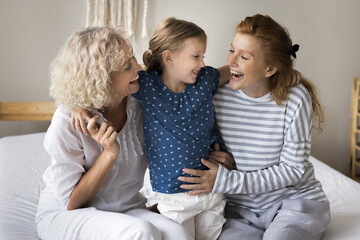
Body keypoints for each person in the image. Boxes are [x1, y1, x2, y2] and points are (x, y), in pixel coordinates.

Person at [72, 17, 230, 240]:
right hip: (173, 196)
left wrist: (282, 72)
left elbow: (236, 71)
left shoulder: (206, 79)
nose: (202, 63)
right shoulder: (146, 86)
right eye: (196, 56)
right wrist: (75, 106)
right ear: (168, 57)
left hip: (211, 189)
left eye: (203, 56)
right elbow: (99, 84)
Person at [178, 14, 330, 240]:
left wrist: (225, 180)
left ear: (270, 69)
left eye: (244, 57)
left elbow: (293, 169)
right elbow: (182, 119)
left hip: (295, 202)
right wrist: (213, 155)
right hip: (242, 211)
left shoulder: (295, 98)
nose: (231, 61)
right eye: (232, 51)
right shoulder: (216, 95)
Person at [35, 26, 192, 240]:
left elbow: (185, 97)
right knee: (140, 232)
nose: (138, 67)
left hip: (125, 208)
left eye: (134, 58)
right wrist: (109, 154)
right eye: (127, 66)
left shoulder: (140, 102)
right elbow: (72, 202)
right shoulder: (68, 121)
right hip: (68, 214)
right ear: (101, 79)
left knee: (178, 234)